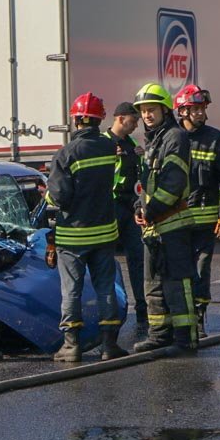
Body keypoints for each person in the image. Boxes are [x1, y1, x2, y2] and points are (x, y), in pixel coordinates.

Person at [43, 93, 127, 363]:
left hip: (73, 236)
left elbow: (58, 197)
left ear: (77, 119)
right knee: (106, 288)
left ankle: (71, 346)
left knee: (72, 291)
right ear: (100, 119)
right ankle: (109, 346)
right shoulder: (108, 147)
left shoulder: (66, 153)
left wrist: (47, 195)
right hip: (104, 232)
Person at [131, 83, 198, 355]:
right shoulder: (153, 141)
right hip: (154, 226)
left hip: (173, 224)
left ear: (165, 110)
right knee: (153, 283)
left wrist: (151, 210)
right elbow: (147, 183)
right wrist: (139, 206)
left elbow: (172, 182)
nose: (147, 115)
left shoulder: (175, 137)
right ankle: (159, 335)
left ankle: (185, 338)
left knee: (177, 283)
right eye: (143, 111)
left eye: (151, 110)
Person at [174, 84, 220, 338]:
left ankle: (198, 320)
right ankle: (177, 323)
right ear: (183, 111)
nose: (200, 113)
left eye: (202, 109)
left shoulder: (216, 140)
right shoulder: (171, 138)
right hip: (174, 222)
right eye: (195, 109)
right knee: (178, 272)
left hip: (204, 222)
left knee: (201, 270)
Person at [105, 102, 148, 336]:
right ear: (121, 119)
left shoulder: (131, 144)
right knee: (107, 262)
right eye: (134, 121)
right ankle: (110, 313)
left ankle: (142, 311)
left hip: (129, 205)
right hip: (111, 205)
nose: (136, 125)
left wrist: (139, 157)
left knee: (137, 258)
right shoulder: (105, 142)